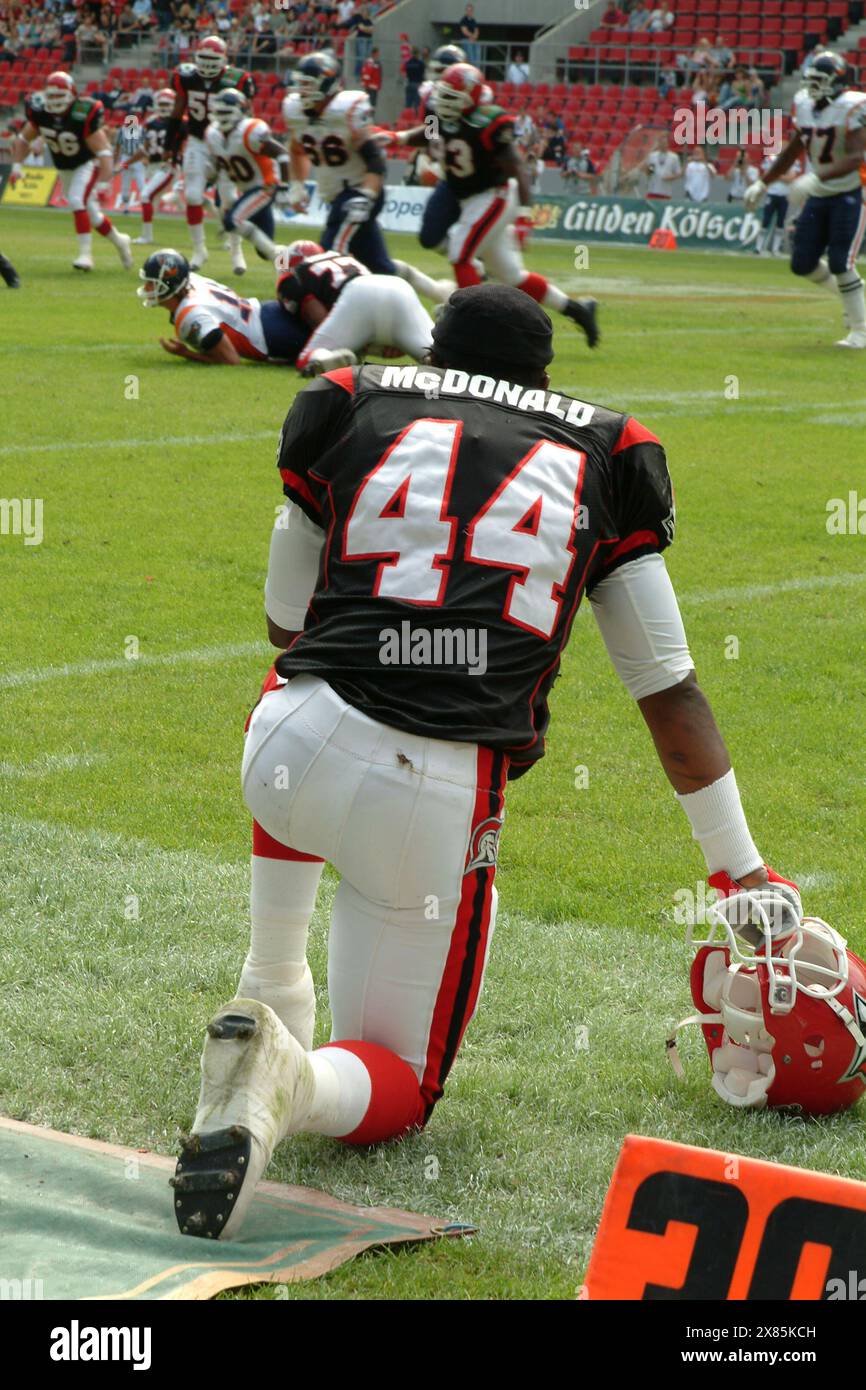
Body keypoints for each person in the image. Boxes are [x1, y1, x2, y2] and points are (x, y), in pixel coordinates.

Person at [171, 283, 802, 1242]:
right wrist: (739, 869)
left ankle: (270, 979)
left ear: (433, 354)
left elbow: (286, 622)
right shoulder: (608, 450)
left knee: (301, 678)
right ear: (546, 375)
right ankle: (289, 1080)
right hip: (428, 794)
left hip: (287, 747)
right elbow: (666, 688)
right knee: (398, 1084)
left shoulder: (346, 401)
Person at [397, 63, 599, 343]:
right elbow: (430, 132)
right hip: (468, 196)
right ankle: (578, 309)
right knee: (512, 276)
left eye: (453, 98)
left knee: (460, 253)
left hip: (494, 195)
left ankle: (470, 328)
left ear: (471, 99)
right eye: (443, 96)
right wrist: (400, 137)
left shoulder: (489, 122)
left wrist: (525, 216)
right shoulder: (441, 117)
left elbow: (517, 167)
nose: (444, 103)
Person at [282, 50, 447, 303]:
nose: (301, 92)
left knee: (328, 261)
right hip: (342, 190)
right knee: (380, 268)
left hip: (364, 190)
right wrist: (296, 184)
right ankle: (440, 293)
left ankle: (328, 321)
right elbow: (296, 149)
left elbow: (429, 136)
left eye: (308, 85)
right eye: (300, 84)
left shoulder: (347, 109)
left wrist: (368, 193)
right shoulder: (297, 112)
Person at [745, 51, 866, 347]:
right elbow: (794, 148)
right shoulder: (804, 104)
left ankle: (861, 330)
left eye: (819, 80)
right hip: (820, 194)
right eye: (810, 79)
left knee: (841, 262)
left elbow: (857, 156)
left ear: (837, 83)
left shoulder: (852, 106)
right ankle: (853, 299)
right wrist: (764, 182)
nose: (812, 86)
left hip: (851, 191)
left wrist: (816, 177)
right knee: (802, 263)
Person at [10, 74, 133, 272]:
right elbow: (23, 139)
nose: (56, 101)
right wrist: (17, 166)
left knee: (77, 201)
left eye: (60, 96)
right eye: (52, 96)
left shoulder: (82, 112)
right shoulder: (40, 111)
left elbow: (103, 150)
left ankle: (85, 255)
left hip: (86, 164)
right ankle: (120, 242)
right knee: (92, 216)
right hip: (64, 168)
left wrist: (104, 181)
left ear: (72, 95)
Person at [275, 240, 435, 374]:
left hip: (357, 296)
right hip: (397, 287)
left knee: (306, 358)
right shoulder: (342, 256)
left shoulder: (295, 275)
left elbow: (318, 317)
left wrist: (354, 341)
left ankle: (326, 359)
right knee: (438, 357)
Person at [165, 33, 256, 269]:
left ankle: (236, 252)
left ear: (224, 59)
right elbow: (177, 112)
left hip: (226, 144)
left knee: (229, 199)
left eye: (211, 59)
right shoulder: (185, 77)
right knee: (193, 195)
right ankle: (199, 250)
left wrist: (246, 148)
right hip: (197, 140)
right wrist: (169, 144)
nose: (206, 64)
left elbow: (249, 116)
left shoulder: (238, 80)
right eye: (202, 58)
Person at [138, 247, 308, 363]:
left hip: (272, 336)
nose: (146, 288)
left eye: (151, 283)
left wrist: (186, 354)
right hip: (267, 312)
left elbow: (231, 360)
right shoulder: (192, 281)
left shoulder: (190, 314)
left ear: (171, 285)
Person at [205, 88, 290, 266]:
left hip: (266, 186)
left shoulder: (250, 130)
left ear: (240, 112)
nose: (221, 117)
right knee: (264, 251)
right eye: (218, 112)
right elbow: (223, 162)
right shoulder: (212, 134)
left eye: (226, 112)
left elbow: (282, 154)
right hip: (248, 190)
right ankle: (283, 258)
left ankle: (280, 258)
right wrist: (211, 177)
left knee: (232, 220)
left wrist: (285, 186)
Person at [129, 87, 176, 243]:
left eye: (167, 104)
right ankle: (147, 236)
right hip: (154, 166)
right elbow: (146, 147)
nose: (164, 107)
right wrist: (129, 162)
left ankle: (146, 237)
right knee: (152, 200)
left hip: (170, 166)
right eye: (161, 104)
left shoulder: (179, 122)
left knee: (145, 195)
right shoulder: (150, 122)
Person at [643, 135, 681, 200]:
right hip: (653, 190)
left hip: (665, 191)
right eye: (661, 143)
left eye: (664, 143)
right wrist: (647, 169)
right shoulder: (652, 155)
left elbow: (678, 173)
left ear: (667, 144)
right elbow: (648, 172)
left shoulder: (674, 157)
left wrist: (670, 177)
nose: (663, 145)